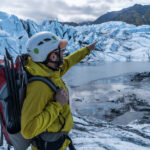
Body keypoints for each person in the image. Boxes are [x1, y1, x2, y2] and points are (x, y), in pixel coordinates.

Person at [21, 31, 97, 150]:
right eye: (61, 51)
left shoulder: (49, 72)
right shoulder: (39, 87)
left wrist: (86, 50)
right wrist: (57, 104)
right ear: (52, 56)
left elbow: (68, 61)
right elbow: (28, 130)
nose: (64, 53)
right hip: (48, 145)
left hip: (58, 141)